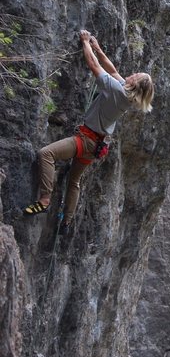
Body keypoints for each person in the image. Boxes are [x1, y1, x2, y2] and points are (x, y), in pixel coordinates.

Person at [23, 30, 154, 233]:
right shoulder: (125, 95)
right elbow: (112, 69)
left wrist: (85, 42)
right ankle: (67, 222)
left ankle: (45, 199)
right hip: (95, 146)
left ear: (135, 83)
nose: (132, 73)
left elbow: (95, 67)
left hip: (84, 140)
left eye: (136, 74)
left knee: (46, 154)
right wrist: (98, 48)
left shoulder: (117, 91)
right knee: (74, 181)